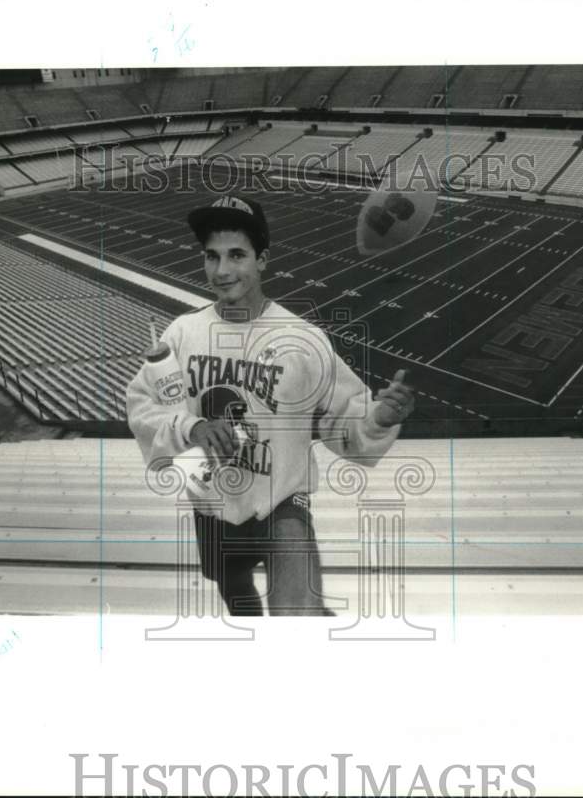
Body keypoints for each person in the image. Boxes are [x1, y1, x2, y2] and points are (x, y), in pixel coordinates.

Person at [126, 195, 415, 615]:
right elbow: (141, 405)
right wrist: (191, 427)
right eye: (212, 256)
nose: (222, 271)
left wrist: (380, 418)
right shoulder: (182, 332)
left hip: (282, 501)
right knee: (232, 583)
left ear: (262, 260)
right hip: (211, 498)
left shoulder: (304, 341)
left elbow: (345, 427)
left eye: (237, 255)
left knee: (294, 611)